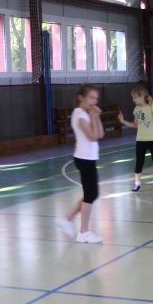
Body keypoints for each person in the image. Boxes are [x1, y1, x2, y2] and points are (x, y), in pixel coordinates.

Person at [58, 85, 104, 244]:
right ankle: (84, 232)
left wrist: (96, 117)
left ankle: (67, 220)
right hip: (84, 159)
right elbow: (92, 137)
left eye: (96, 98)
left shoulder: (87, 114)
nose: (94, 101)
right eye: (91, 97)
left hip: (89, 158)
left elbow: (100, 134)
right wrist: (93, 117)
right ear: (81, 98)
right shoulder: (79, 114)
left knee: (92, 194)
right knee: (90, 195)